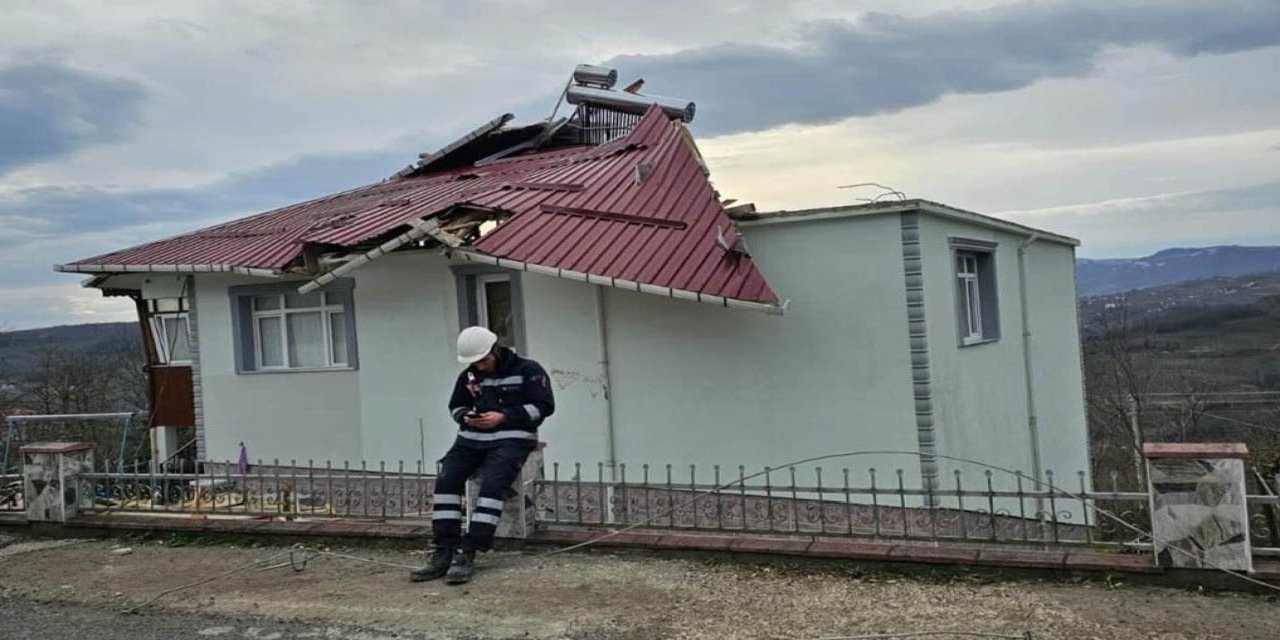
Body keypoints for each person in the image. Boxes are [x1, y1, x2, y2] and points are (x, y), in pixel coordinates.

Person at [410, 326, 555, 584]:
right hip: (471, 439)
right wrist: (466, 417)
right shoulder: (468, 376)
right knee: (447, 481)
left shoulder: (528, 370)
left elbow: (544, 406)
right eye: (474, 363)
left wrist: (505, 416)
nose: (480, 366)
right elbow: (455, 406)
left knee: (492, 487)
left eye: (483, 360)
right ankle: (443, 549)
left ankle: (469, 550)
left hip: (512, 438)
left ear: (495, 350)